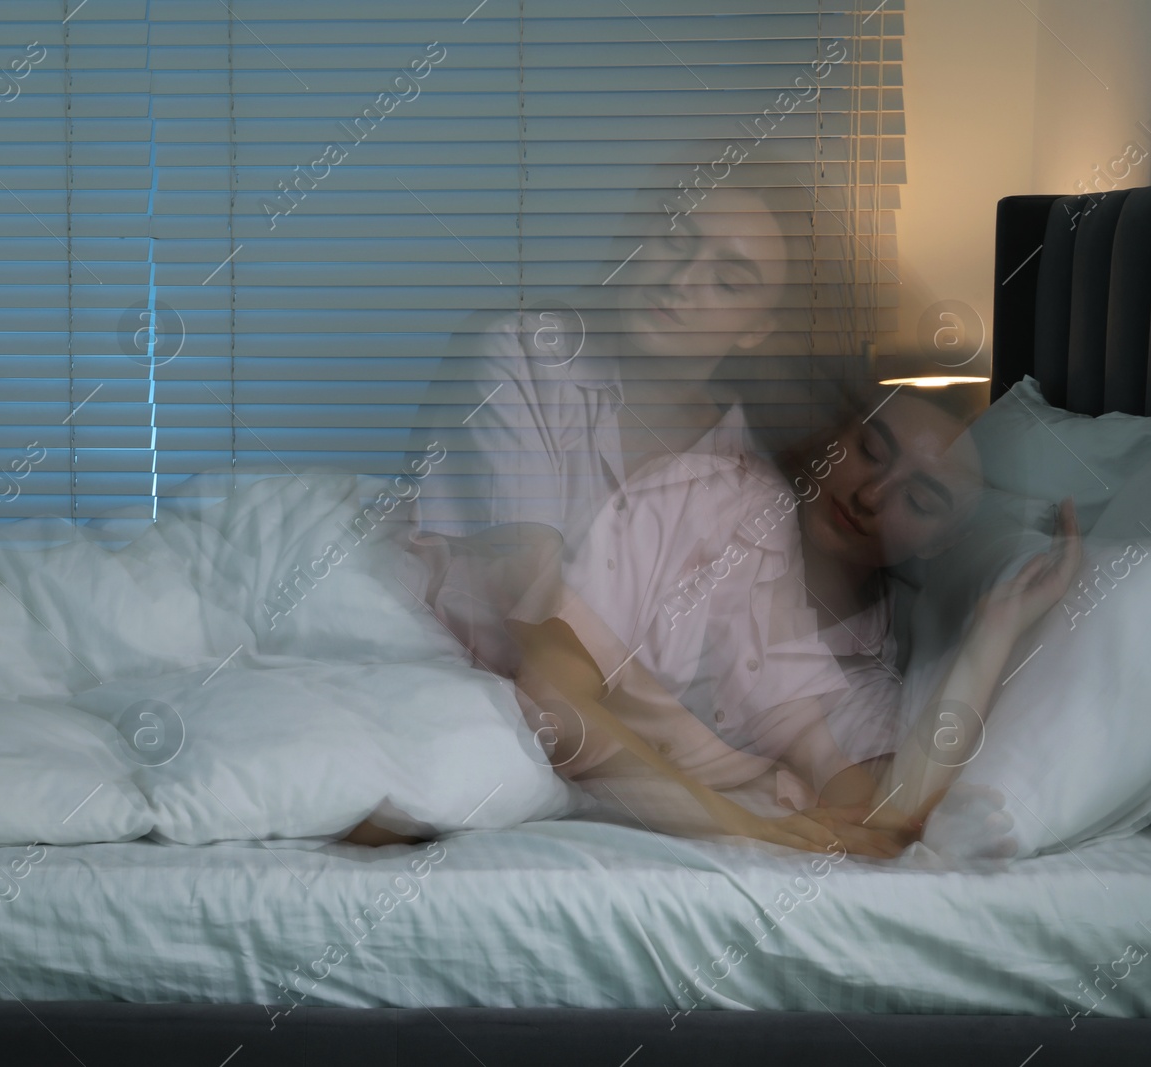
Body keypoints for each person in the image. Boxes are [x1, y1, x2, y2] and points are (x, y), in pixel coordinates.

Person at [352, 388, 1081, 857]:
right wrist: (741, 824)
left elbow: (883, 817)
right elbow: (556, 695)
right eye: (869, 450)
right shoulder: (717, 499)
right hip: (392, 589)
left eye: (917, 500)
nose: (870, 494)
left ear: (942, 544)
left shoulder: (867, 670)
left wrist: (993, 630)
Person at [408, 184, 798, 544]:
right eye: (676, 240)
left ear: (758, 328)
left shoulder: (757, 491)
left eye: (727, 281)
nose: (679, 282)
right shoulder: (528, 354)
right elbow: (524, 591)